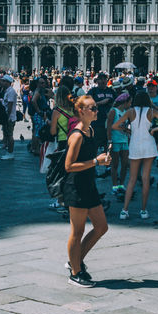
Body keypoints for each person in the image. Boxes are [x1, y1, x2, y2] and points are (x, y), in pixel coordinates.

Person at [62, 95, 109, 287]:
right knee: (77, 231)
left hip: (89, 184)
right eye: (92, 108)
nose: (96, 111)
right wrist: (96, 161)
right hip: (76, 186)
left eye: (96, 108)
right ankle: (75, 272)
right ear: (81, 111)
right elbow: (69, 166)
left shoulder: (90, 130)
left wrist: (101, 160)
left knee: (101, 227)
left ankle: (75, 261)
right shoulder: (77, 135)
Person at [113, 89, 158, 220]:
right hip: (148, 144)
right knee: (145, 178)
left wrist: (126, 130)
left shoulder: (131, 112)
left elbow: (115, 126)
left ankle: (124, 210)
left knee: (132, 179)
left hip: (135, 145)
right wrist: (154, 129)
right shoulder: (151, 111)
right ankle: (143, 210)